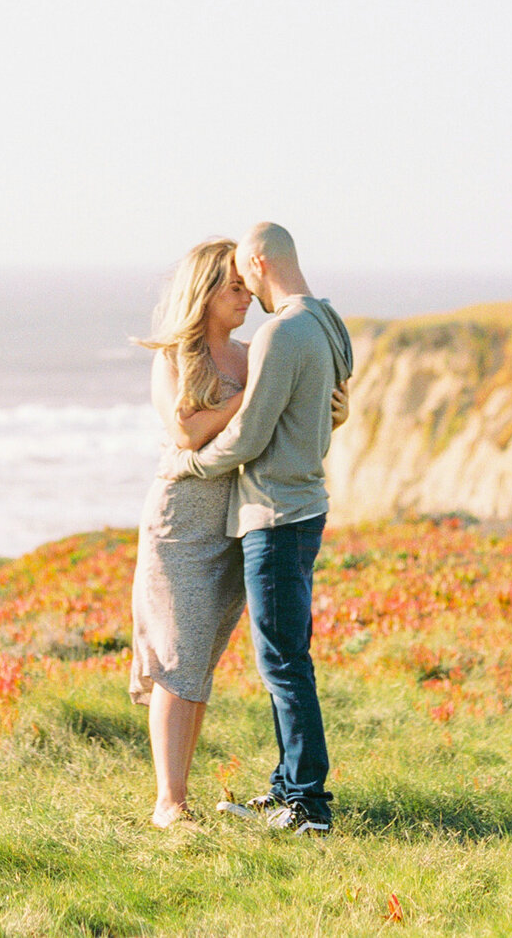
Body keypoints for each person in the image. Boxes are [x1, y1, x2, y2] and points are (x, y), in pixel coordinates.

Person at [170, 221, 354, 836]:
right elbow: (323, 410)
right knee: (287, 656)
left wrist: (195, 462)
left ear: (257, 262)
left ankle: (306, 803)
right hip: (308, 506)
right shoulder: (330, 323)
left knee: (282, 662)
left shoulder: (281, 332)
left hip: (275, 515)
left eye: (243, 273)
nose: (243, 289)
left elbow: (250, 434)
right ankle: (287, 790)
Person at [127, 240, 255, 829]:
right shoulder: (175, 356)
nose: (247, 295)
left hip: (232, 523)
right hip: (181, 525)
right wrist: (252, 400)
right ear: (203, 289)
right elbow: (187, 433)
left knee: (198, 660)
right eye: (235, 286)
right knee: (177, 657)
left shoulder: (253, 357)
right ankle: (168, 803)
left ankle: (178, 796)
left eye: (248, 285)